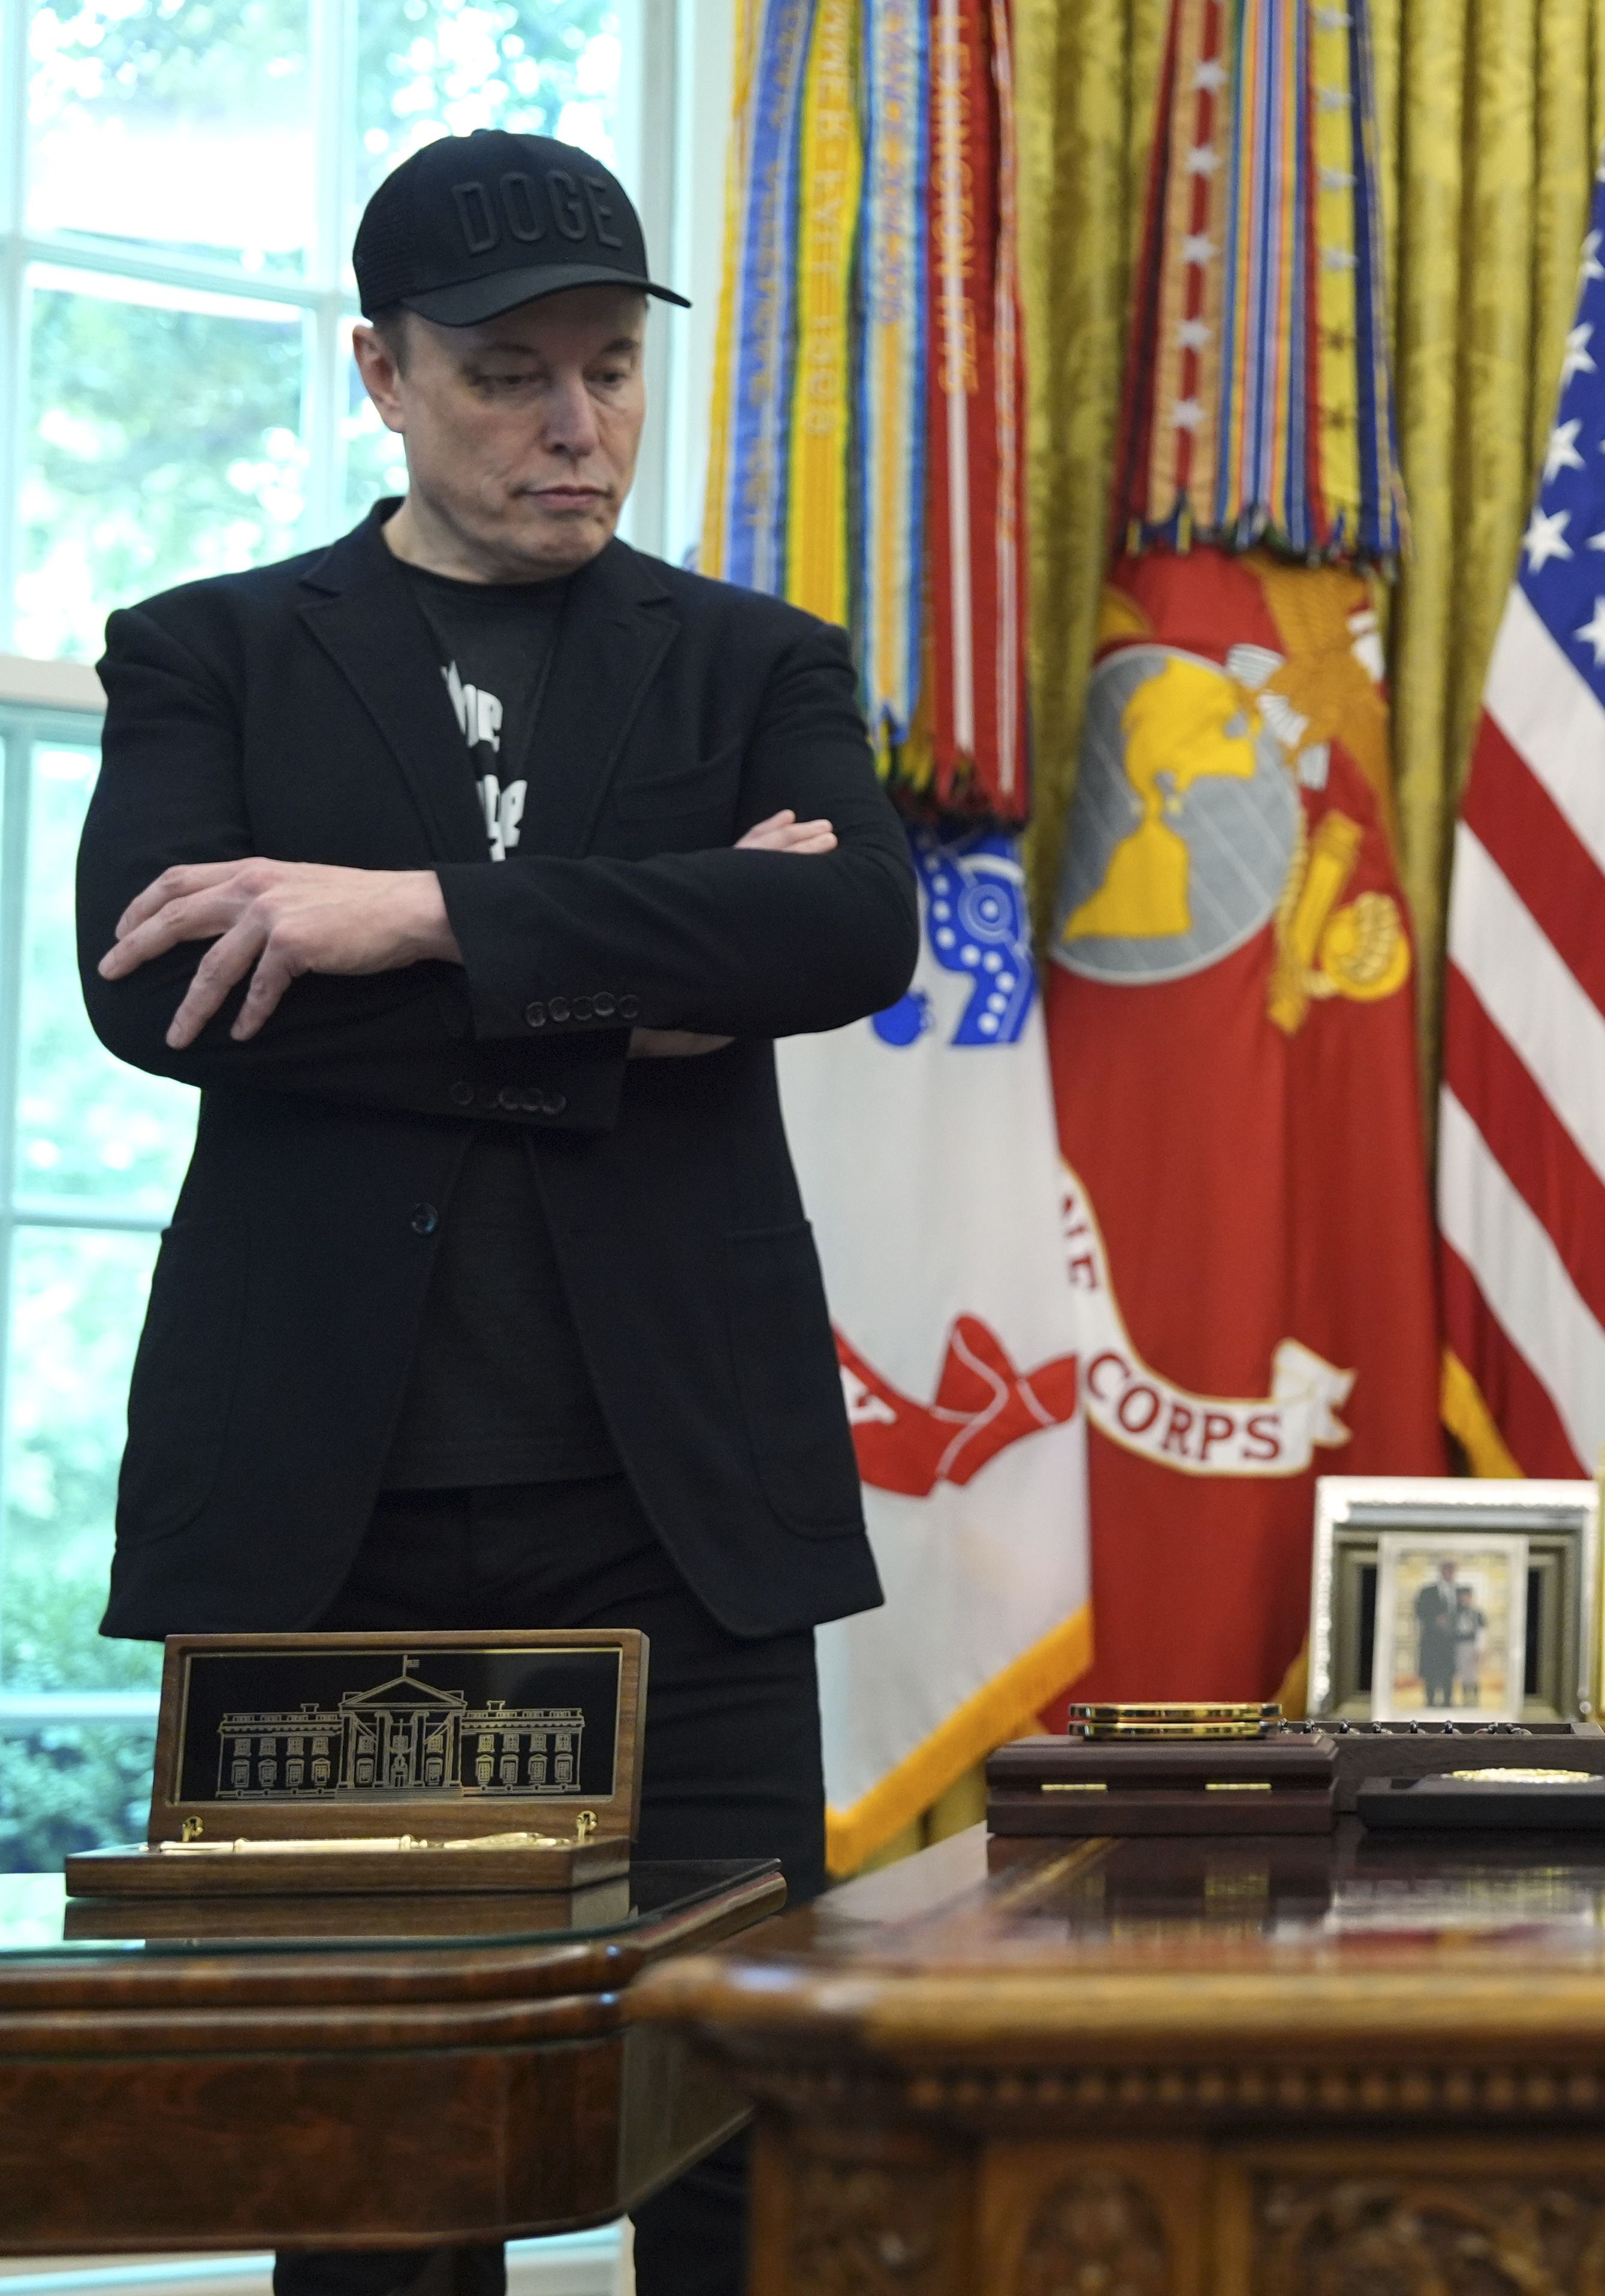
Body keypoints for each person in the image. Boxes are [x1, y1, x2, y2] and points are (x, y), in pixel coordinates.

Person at [79, 131, 917, 2296]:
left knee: (735, 2127)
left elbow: (833, 939)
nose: (576, 427)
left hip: (681, 1514)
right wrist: (609, 998)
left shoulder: (754, 663)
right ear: (378, 370)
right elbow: (164, 989)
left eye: (611, 370)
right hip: (323, 1522)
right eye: (507, 376)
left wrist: (404, 917)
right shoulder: (214, 655)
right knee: (371, 2162)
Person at [1415, 1561, 1465, 1707]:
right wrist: (1435, 1619)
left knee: (1449, 1672)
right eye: (1447, 1571)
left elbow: (1464, 1613)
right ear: (1441, 1572)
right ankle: (1430, 1701)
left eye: (1452, 1571)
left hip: (1451, 1641)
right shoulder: (1428, 1591)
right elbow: (1420, 1611)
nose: (1450, 1574)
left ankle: (1448, 1701)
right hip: (1432, 1639)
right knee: (1431, 1671)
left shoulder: (1459, 1592)